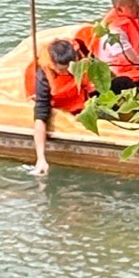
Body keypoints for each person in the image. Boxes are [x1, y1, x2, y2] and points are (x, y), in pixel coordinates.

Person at [24, 35, 91, 178]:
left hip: (86, 102)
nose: (67, 73)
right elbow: (40, 117)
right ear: (53, 65)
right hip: (64, 108)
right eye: (62, 70)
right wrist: (41, 158)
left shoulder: (82, 55)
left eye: (71, 69)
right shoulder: (43, 75)